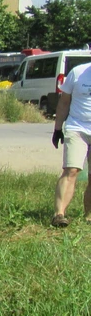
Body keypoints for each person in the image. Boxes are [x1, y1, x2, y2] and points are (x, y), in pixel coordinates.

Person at [50, 61, 91, 227]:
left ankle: (89, 216)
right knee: (71, 170)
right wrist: (57, 128)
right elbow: (64, 102)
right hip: (77, 127)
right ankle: (59, 214)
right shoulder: (78, 72)